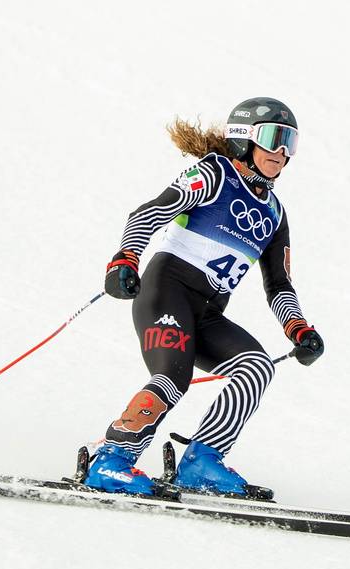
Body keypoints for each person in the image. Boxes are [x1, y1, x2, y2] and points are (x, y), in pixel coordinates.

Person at [85, 97, 324, 496]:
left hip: (209, 312)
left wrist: (299, 329)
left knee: (256, 367)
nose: (281, 153)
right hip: (167, 294)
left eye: (290, 143)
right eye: (272, 138)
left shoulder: (275, 214)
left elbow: (279, 284)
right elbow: (150, 212)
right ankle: (110, 460)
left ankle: (201, 463)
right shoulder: (214, 173)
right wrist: (124, 259)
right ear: (243, 139)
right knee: (174, 376)